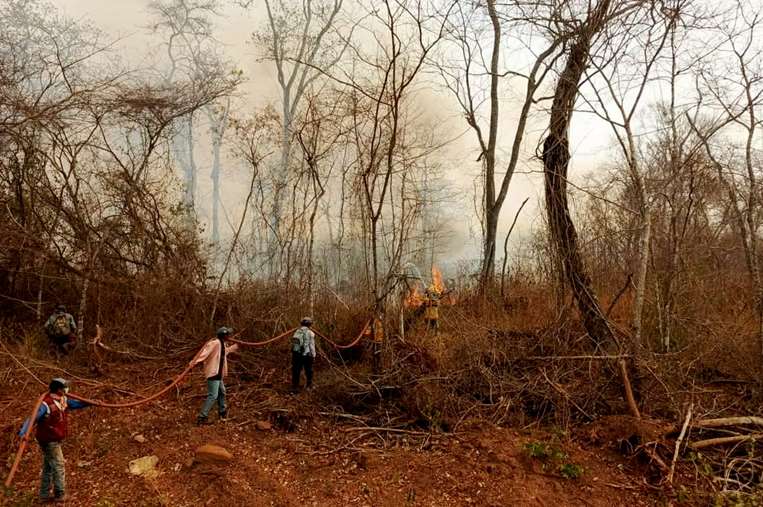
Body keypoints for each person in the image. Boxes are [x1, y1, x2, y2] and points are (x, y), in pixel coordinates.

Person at [18, 378, 90, 504]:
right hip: (49, 441)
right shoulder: (45, 404)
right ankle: (60, 494)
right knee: (59, 465)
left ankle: (44, 495)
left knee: (48, 467)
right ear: (58, 389)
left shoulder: (63, 400)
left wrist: (91, 402)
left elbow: (76, 404)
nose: (67, 389)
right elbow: (32, 419)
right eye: (65, 387)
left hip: (55, 438)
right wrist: (23, 432)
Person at [190, 326, 239, 425]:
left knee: (222, 392)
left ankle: (222, 412)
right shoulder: (215, 343)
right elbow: (204, 353)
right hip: (213, 373)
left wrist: (235, 347)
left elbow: (225, 352)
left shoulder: (222, 344)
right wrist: (193, 362)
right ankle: (202, 417)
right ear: (224, 335)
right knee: (213, 395)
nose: (230, 336)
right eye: (228, 335)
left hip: (218, 374)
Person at [291, 317, 315, 392]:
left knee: (296, 370)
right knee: (309, 370)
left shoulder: (297, 331)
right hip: (307, 355)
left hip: (296, 354)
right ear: (310, 324)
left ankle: (295, 387)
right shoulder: (311, 333)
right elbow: (312, 345)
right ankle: (309, 386)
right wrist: (313, 355)